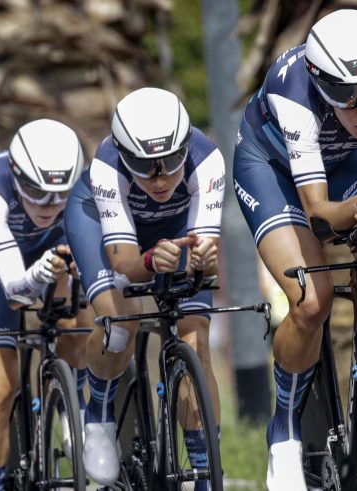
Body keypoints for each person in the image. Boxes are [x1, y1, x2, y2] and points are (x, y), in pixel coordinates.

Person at [232, 9, 357, 490]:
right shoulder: (292, 96)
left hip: (343, 161)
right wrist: (355, 206)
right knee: (311, 301)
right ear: (319, 82)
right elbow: (319, 213)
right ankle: (285, 433)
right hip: (270, 169)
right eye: (345, 95)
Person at [64, 87, 226, 486]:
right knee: (121, 322)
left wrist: (201, 260)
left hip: (172, 231)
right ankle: (98, 415)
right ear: (123, 154)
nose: (160, 177)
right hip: (100, 225)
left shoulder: (208, 162)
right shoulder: (107, 169)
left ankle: (207, 470)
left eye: (171, 162)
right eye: (145, 165)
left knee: (195, 340)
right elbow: (123, 266)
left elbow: (203, 253)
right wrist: (153, 260)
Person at [0, 118, 89, 491]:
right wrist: (40, 274)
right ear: (15, 175)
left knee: (77, 328)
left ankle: (72, 405)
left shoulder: (87, 185)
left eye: (60, 192)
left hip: (52, 246)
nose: (48, 204)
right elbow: (16, 291)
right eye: (35, 191)